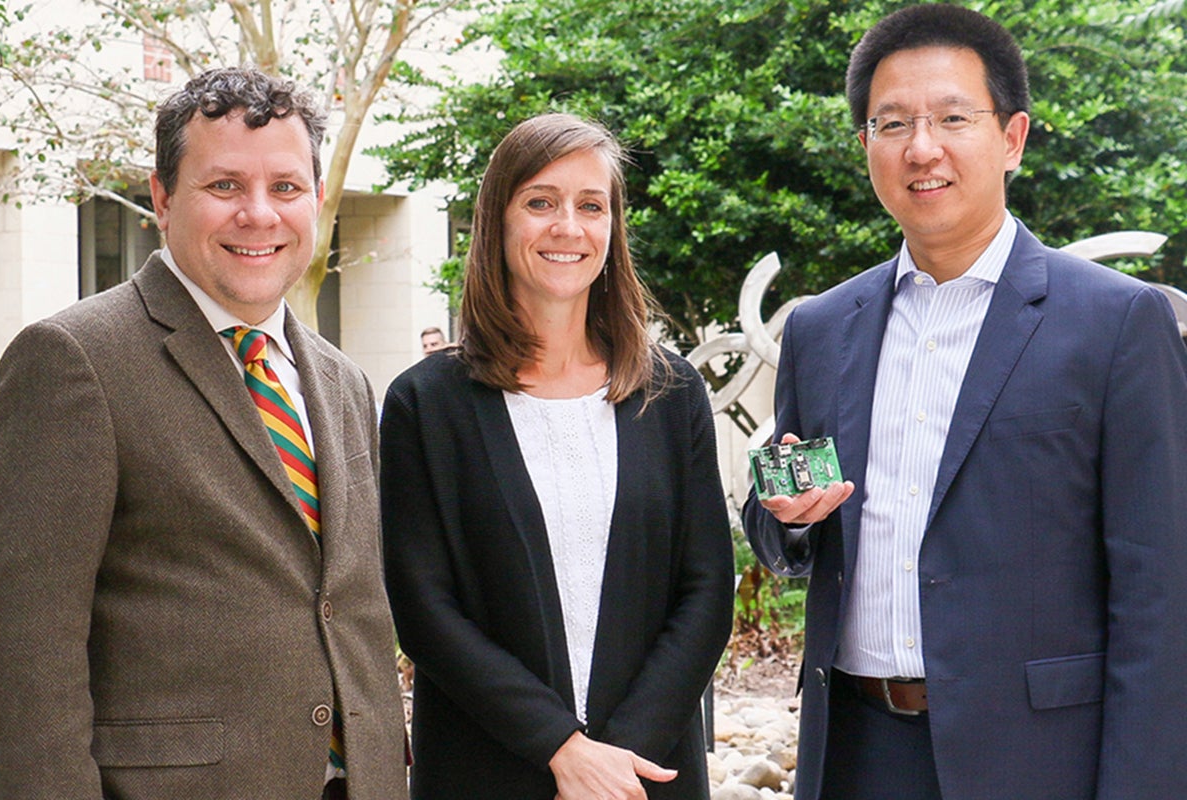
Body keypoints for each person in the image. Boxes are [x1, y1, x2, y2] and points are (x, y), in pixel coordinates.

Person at [742, 6, 1187, 800]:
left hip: (1041, 757)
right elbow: (775, 513)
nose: (923, 148)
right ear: (865, 146)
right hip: (856, 749)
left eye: (952, 117)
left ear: (1011, 138)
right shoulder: (819, 328)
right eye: (893, 123)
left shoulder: (1117, 322)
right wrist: (787, 517)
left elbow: (1162, 590)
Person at [0, 67, 407, 799]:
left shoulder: (343, 382)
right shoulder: (71, 360)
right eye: (224, 187)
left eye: (285, 187)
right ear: (161, 197)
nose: (259, 214)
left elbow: (346, 604)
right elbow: (22, 653)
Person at [380, 112, 734, 799]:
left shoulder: (671, 392)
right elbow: (424, 608)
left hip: (644, 775)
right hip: (487, 770)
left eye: (590, 205)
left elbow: (705, 592)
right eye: (540, 202)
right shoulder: (426, 404)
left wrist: (617, 757)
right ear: (498, 222)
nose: (567, 226)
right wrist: (561, 748)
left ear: (612, 228)